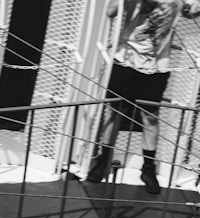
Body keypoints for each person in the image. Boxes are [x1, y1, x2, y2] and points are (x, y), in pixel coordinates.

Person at [85, 0, 200, 195]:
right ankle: (103, 159)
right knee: (115, 111)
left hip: (157, 64)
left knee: (150, 116)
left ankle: (148, 169)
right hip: (125, 59)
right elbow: (111, 11)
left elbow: (191, 12)